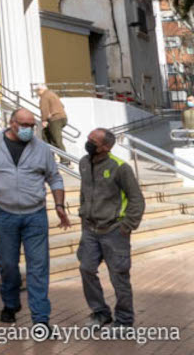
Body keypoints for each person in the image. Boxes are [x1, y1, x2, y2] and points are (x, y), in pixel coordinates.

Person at [0, 108, 70, 326]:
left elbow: (55, 177)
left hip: (35, 215)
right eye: (24, 125)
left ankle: (41, 318)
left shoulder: (41, 148)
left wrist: (59, 205)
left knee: (38, 266)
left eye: (31, 126)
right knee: (8, 265)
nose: (28, 130)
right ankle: (11, 303)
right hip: (4, 214)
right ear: (11, 123)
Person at [78, 128, 145, 327]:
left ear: (106, 147)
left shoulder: (120, 167)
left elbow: (137, 200)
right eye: (88, 138)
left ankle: (124, 321)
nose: (88, 142)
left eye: (93, 141)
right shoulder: (84, 163)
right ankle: (100, 313)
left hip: (114, 231)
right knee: (86, 269)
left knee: (119, 277)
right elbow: (85, 192)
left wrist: (127, 226)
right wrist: (83, 214)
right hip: (90, 230)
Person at [36, 84, 70, 162]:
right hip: (62, 118)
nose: (37, 93)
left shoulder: (44, 96)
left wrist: (44, 120)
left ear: (40, 90)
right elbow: (62, 105)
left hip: (55, 119)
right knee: (46, 135)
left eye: (37, 91)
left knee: (56, 140)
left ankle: (65, 160)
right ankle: (50, 157)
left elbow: (44, 109)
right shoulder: (52, 94)